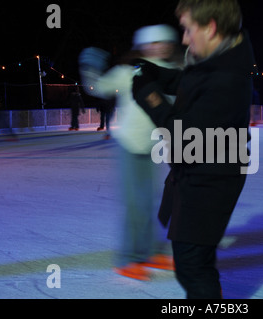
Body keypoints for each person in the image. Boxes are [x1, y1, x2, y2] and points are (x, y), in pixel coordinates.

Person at [131, 0, 255, 299]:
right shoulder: (219, 58)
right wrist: (154, 73)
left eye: (188, 30)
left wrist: (148, 95)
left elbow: (182, 135)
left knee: (191, 264)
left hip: (211, 176)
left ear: (210, 27)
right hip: (206, 168)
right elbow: (189, 81)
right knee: (195, 258)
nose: (184, 39)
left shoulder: (226, 77)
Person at [79, 24, 180, 281]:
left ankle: (151, 252)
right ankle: (128, 259)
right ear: (144, 46)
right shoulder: (129, 71)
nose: (159, 47)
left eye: (164, 42)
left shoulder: (171, 72)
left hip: (153, 145)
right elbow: (98, 88)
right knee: (135, 205)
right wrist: (90, 67)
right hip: (128, 144)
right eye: (153, 43)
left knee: (149, 202)